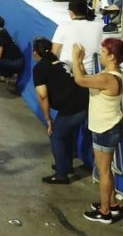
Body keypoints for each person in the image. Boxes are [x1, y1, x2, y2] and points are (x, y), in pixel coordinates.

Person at [72, 38, 123, 224]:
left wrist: (74, 58)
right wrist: (80, 63)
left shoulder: (108, 78)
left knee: (104, 171)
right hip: (107, 127)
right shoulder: (110, 75)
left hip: (105, 129)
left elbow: (80, 80)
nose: (101, 56)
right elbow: (88, 80)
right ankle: (111, 203)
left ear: (112, 56)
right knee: (107, 169)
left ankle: (104, 212)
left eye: (104, 53)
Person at [32, 37, 89, 185]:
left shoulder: (39, 68)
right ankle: (66, 165)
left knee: (56, 136)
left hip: (72, 109)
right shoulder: (61, 63)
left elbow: (42, 95)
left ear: (35, 53)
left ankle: (61, 174)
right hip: (83, 104)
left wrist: (48, 119)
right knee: (67, 134)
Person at [51, 0, 102, 74]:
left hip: (68, 74)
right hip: (90, 74)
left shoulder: (63, 27)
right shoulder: (98, 27)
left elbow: (54, 53)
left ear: (71, 12)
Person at [0, 16, 24, 84]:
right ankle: (7, 75)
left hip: (15, 63)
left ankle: (8, 77)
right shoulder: (4, 32)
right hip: (19, 61)